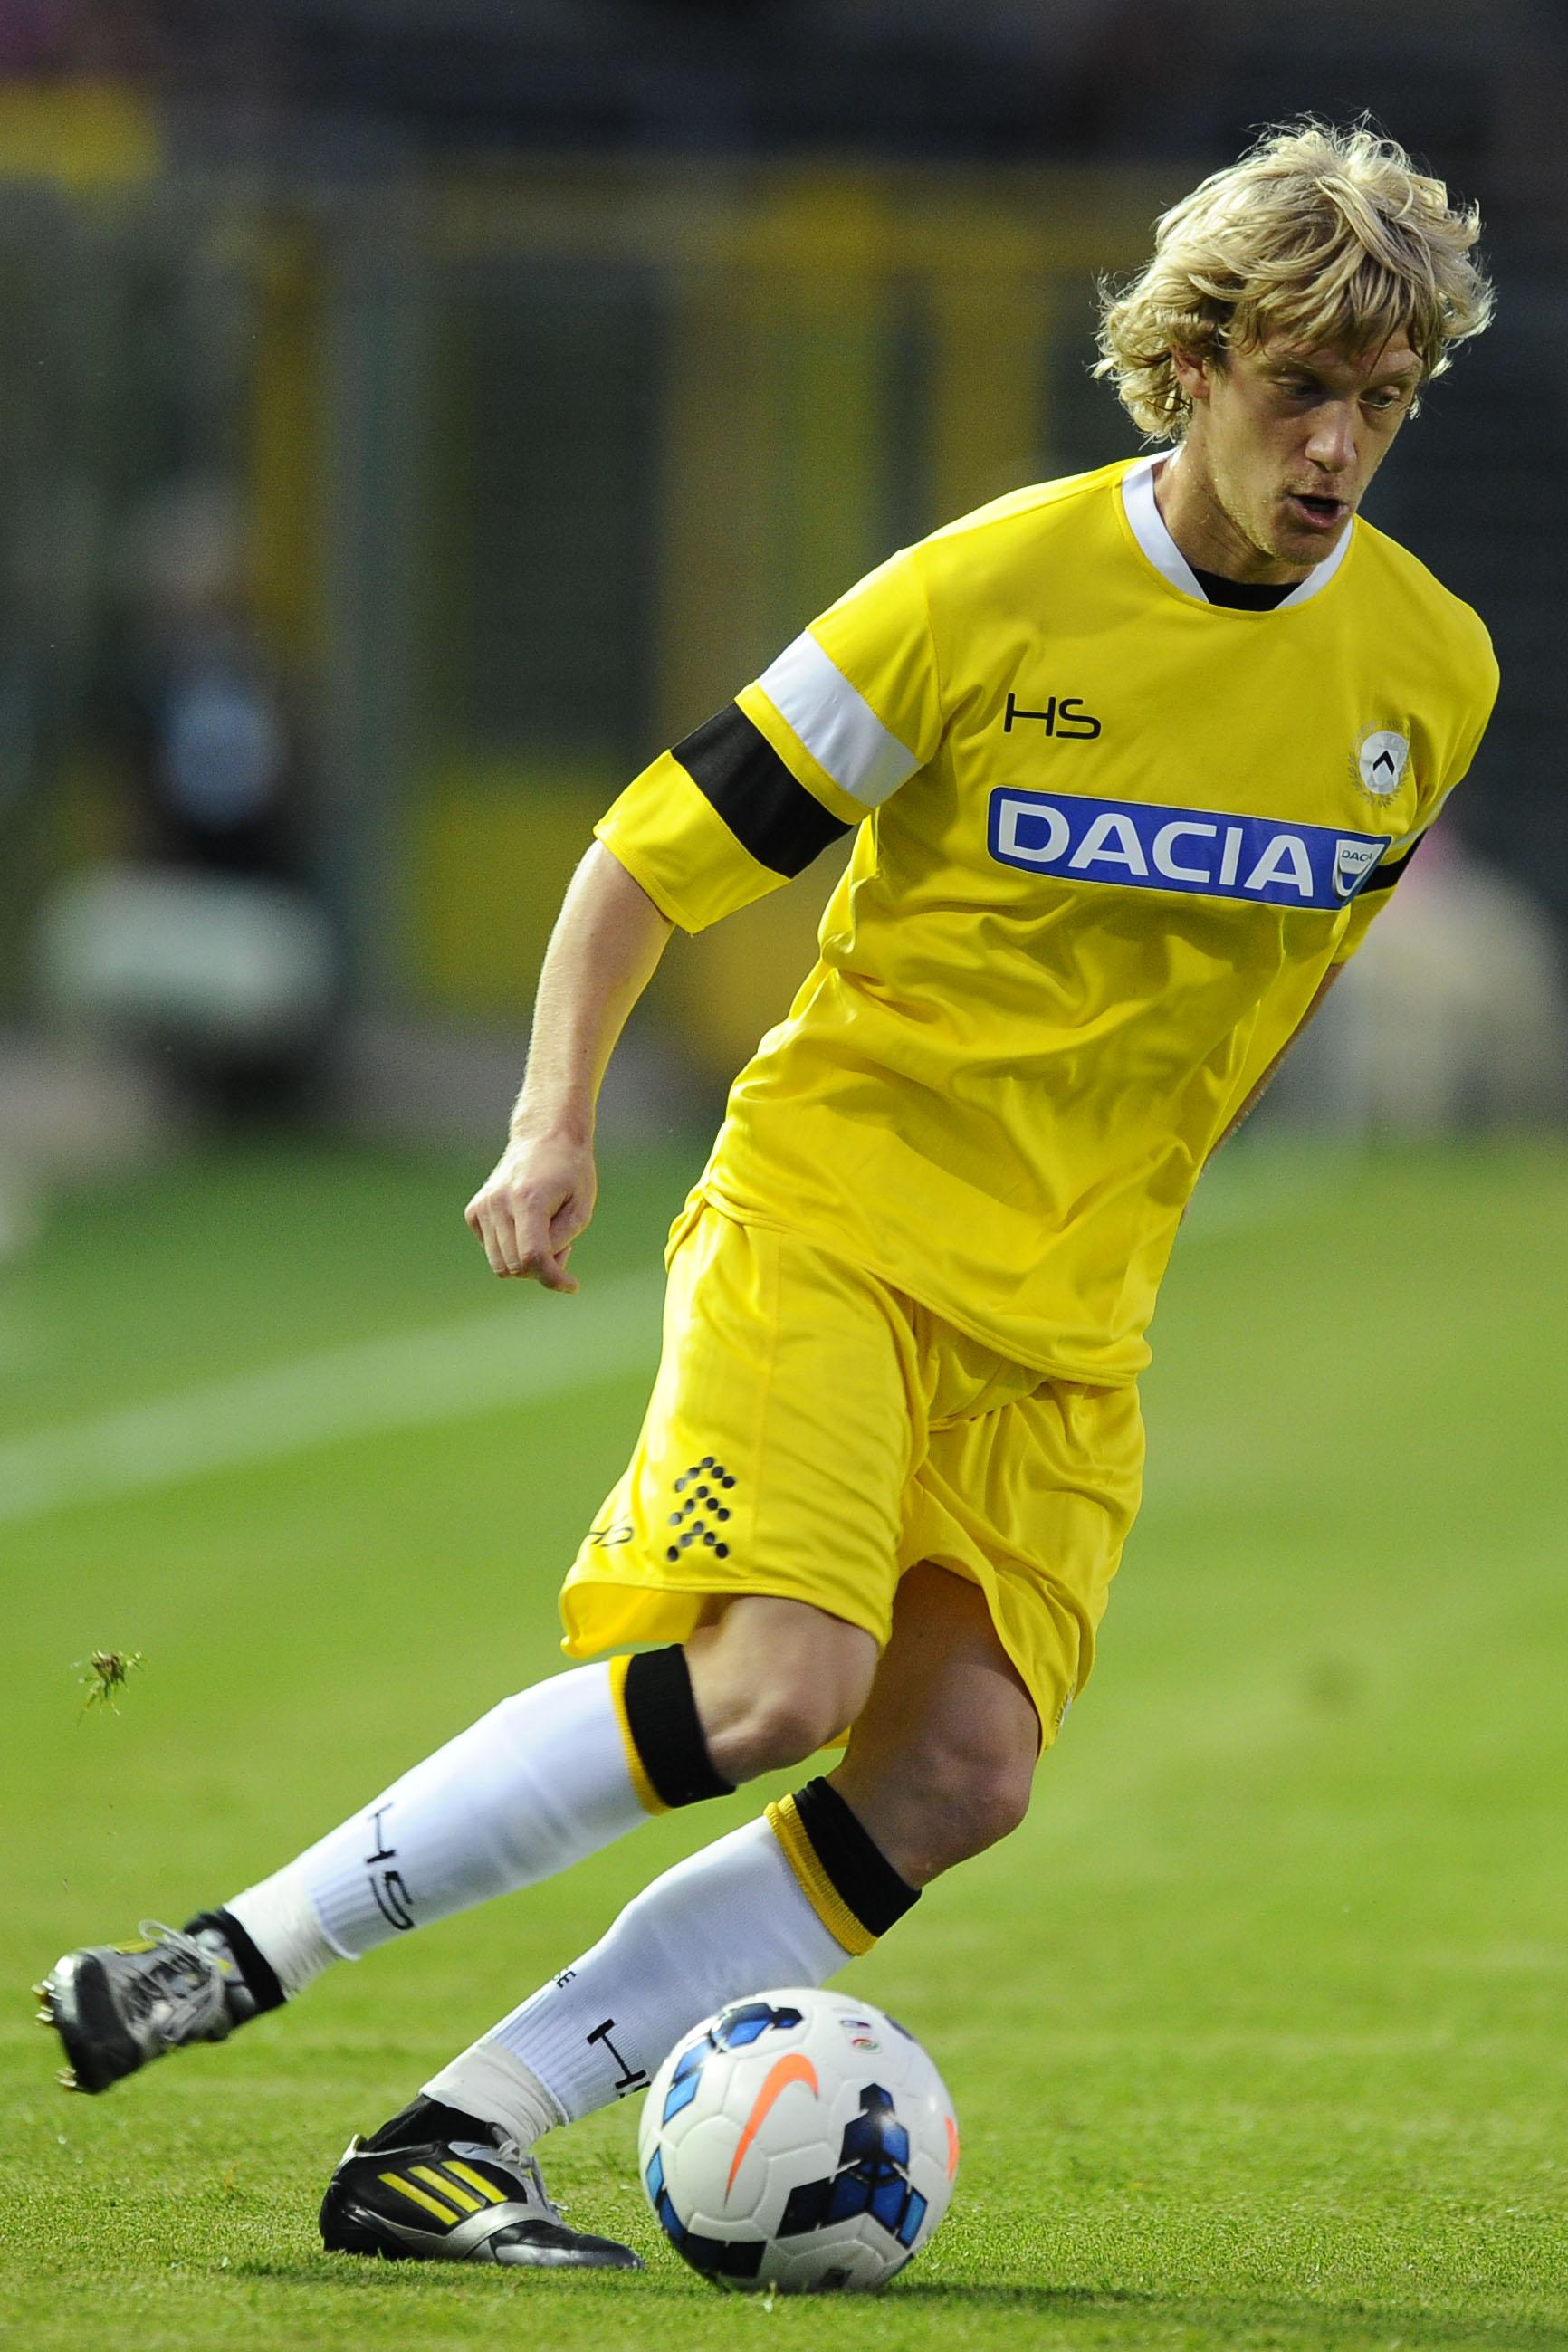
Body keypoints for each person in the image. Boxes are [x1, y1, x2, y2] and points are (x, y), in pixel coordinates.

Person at [36, 120, 1497, 2271]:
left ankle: (453, 2137)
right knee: (773, 1689)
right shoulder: (976, 595)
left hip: (1064, 1315)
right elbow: (645, 856)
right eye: (1297, 388)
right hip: (835, 1214)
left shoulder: (1425, 675)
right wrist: (548, 1125)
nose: (1335, 447)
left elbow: (1253, 995)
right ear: (1186, 365)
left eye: (1377, 399)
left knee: (958, 1776)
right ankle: (223, 1959)